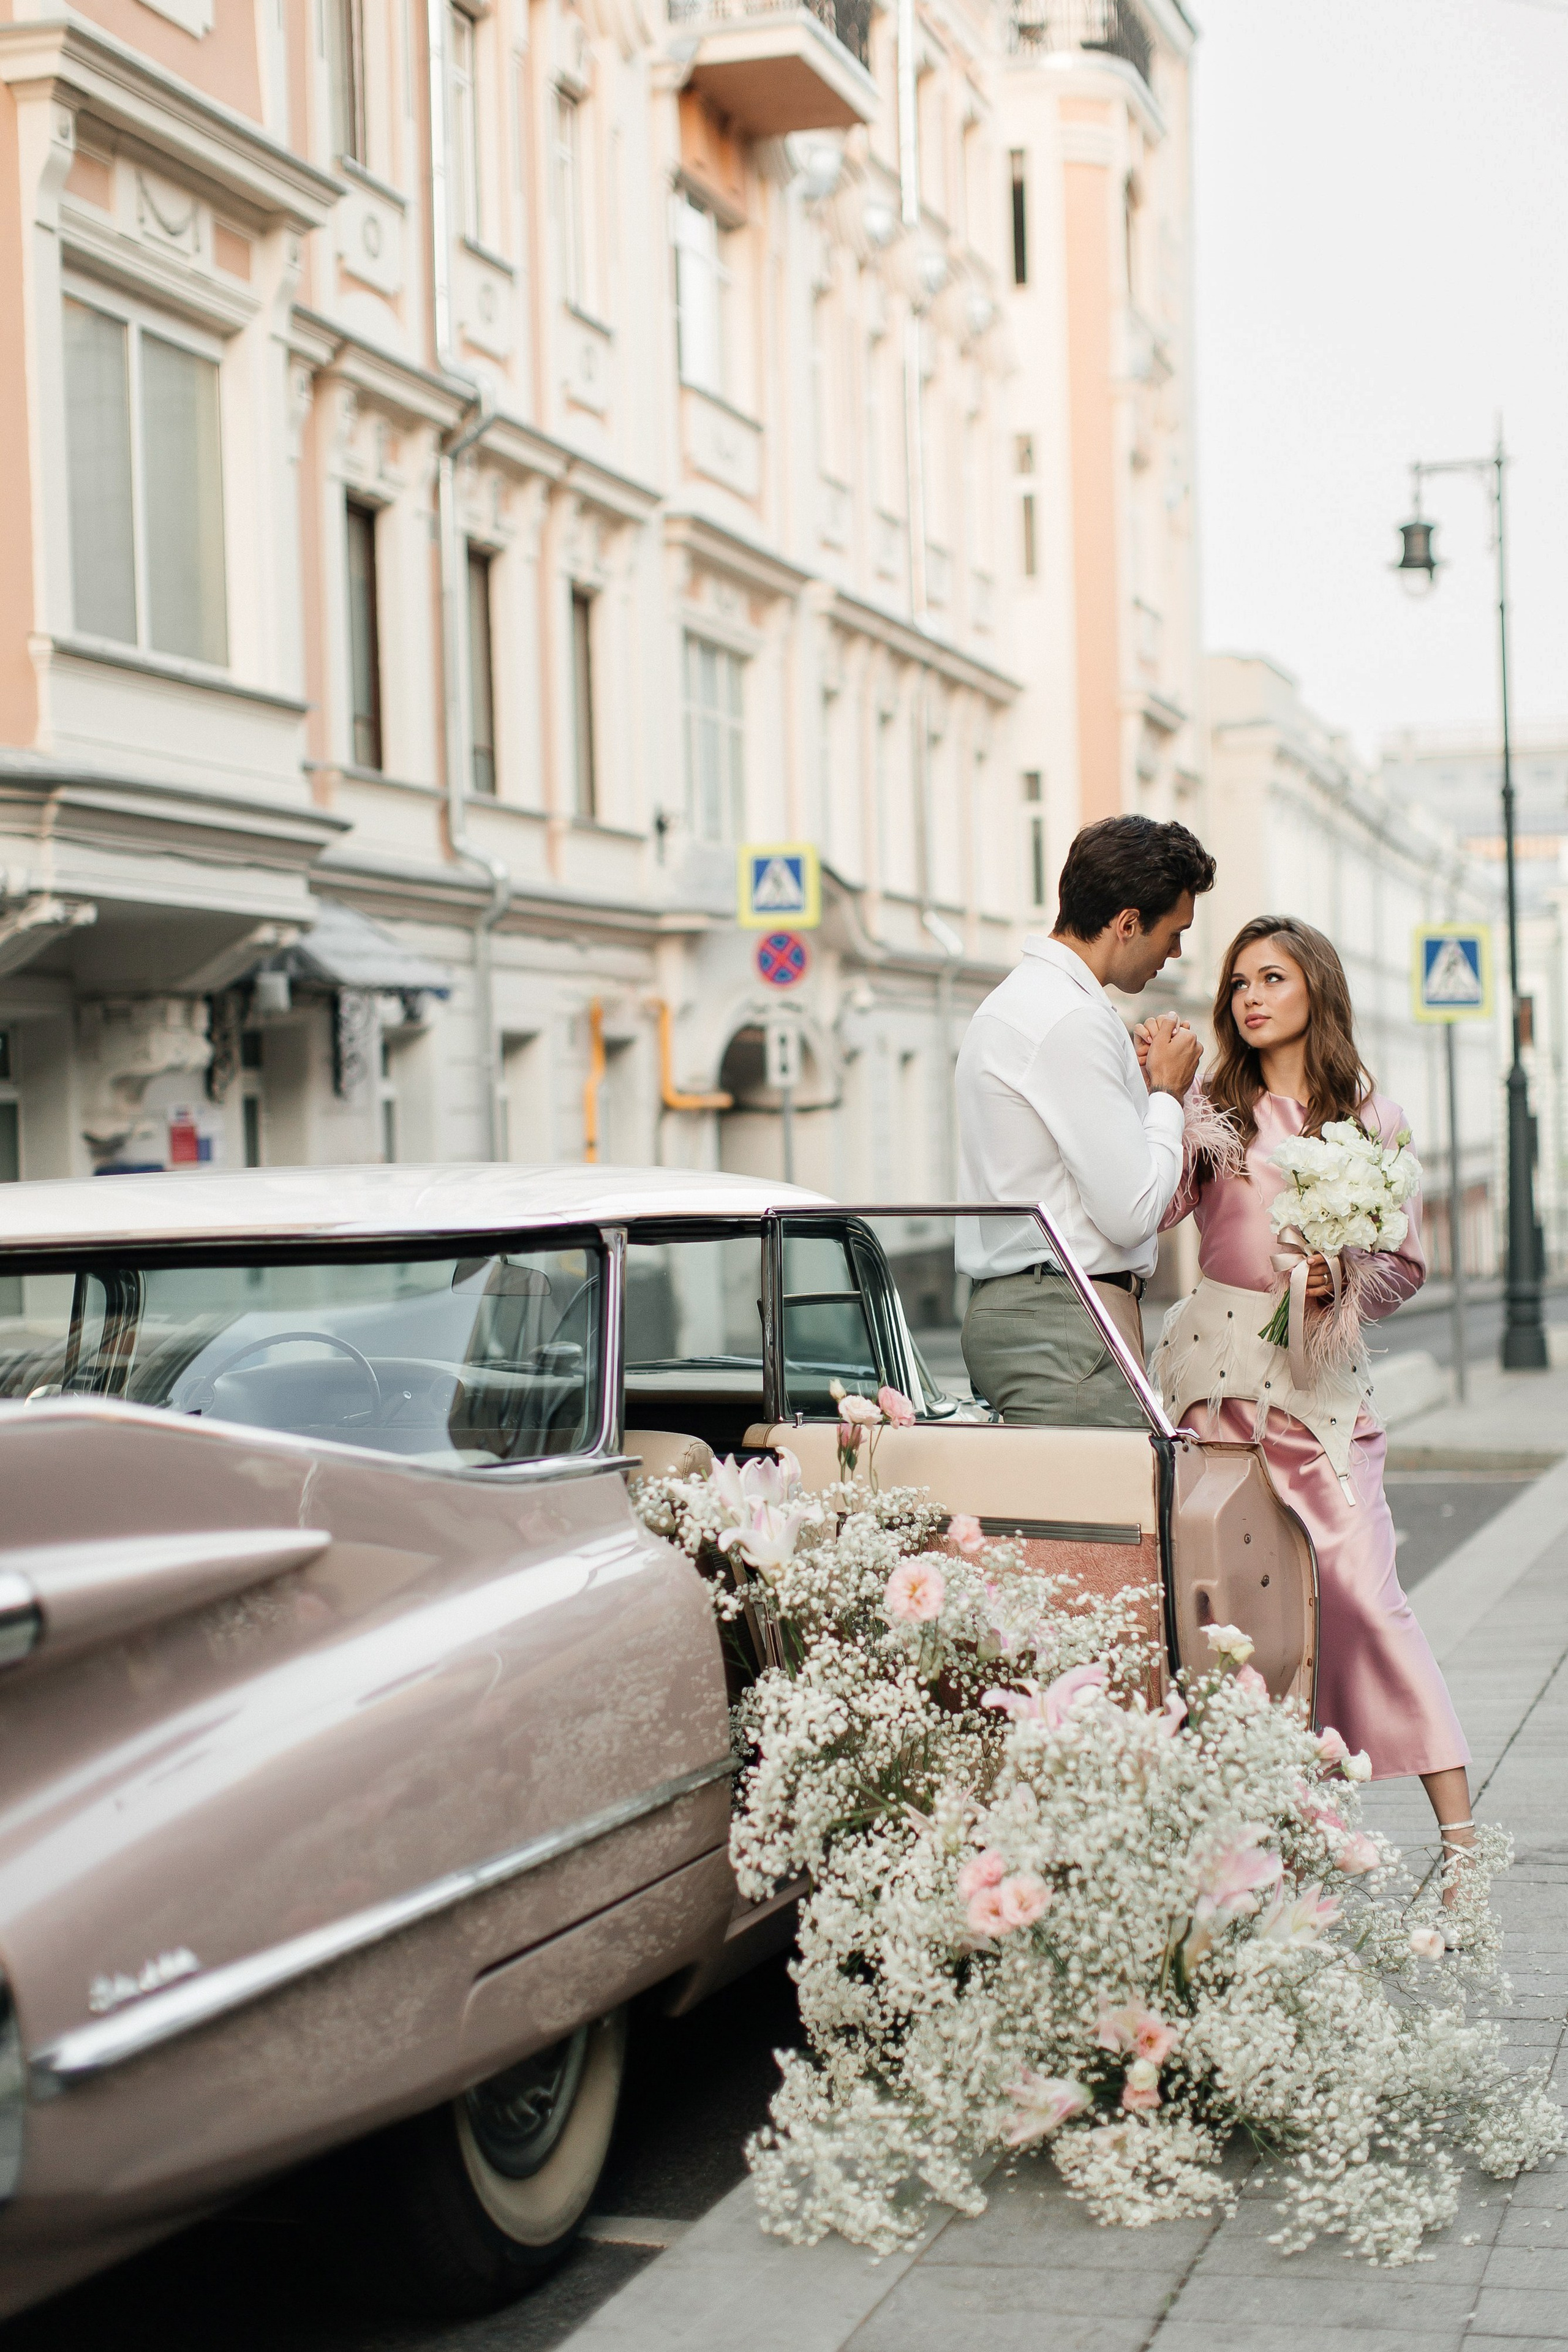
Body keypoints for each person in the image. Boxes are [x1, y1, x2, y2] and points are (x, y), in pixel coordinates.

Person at [1148, 914, 1474, 1898]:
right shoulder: (1212, 1107)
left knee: (1367, 1602)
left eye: (1273, 978)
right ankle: (1289, 1849)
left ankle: (1462, 1845)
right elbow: (1155, 1210)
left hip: (1320, 1397)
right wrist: (1158, 1100)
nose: (1251, 996)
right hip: (1215, 1389)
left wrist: (1342, 1280)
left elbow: (1406, 1264)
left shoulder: (1370, 1113)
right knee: (1243, 1622)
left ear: (1315, 991)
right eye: (1239, 980)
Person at [956, 813, 1216, 1423]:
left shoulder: (1019, 1003)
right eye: (1172, 933)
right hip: (1066, 1322)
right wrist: (1167, 1094)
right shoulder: (1069, 1018)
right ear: (1127, 924)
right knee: (1106, 1516)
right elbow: (1130, 1212)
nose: (1174, 953)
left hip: (1039, 1311)